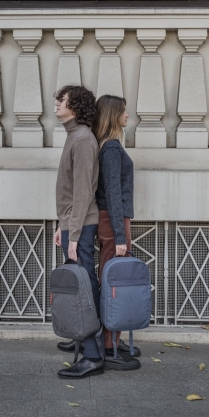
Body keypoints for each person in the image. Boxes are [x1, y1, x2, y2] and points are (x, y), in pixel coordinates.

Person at [53, 85, 104, 379]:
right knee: (79, 285)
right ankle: (82, 338)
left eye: (63, 99)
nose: (57, 102)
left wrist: (73, 234)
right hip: (74, 223)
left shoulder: (83, 139)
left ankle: (93, 355)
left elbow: (84, 191)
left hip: (82, 225)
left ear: (77, 106)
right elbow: (69, 190)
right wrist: (62, 225)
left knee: (84, 287)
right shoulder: (74, 135)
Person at [93, 95, 142, 371]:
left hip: (112, 220)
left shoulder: (109, 146)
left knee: (113, 280)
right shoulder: (111, 148)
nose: (127, 115)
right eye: (123, 111)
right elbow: (112, 193)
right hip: (113, 221)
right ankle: (108, 346)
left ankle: (113, 340)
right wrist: (120, 236)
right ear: (113, 115)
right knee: (114, 283)